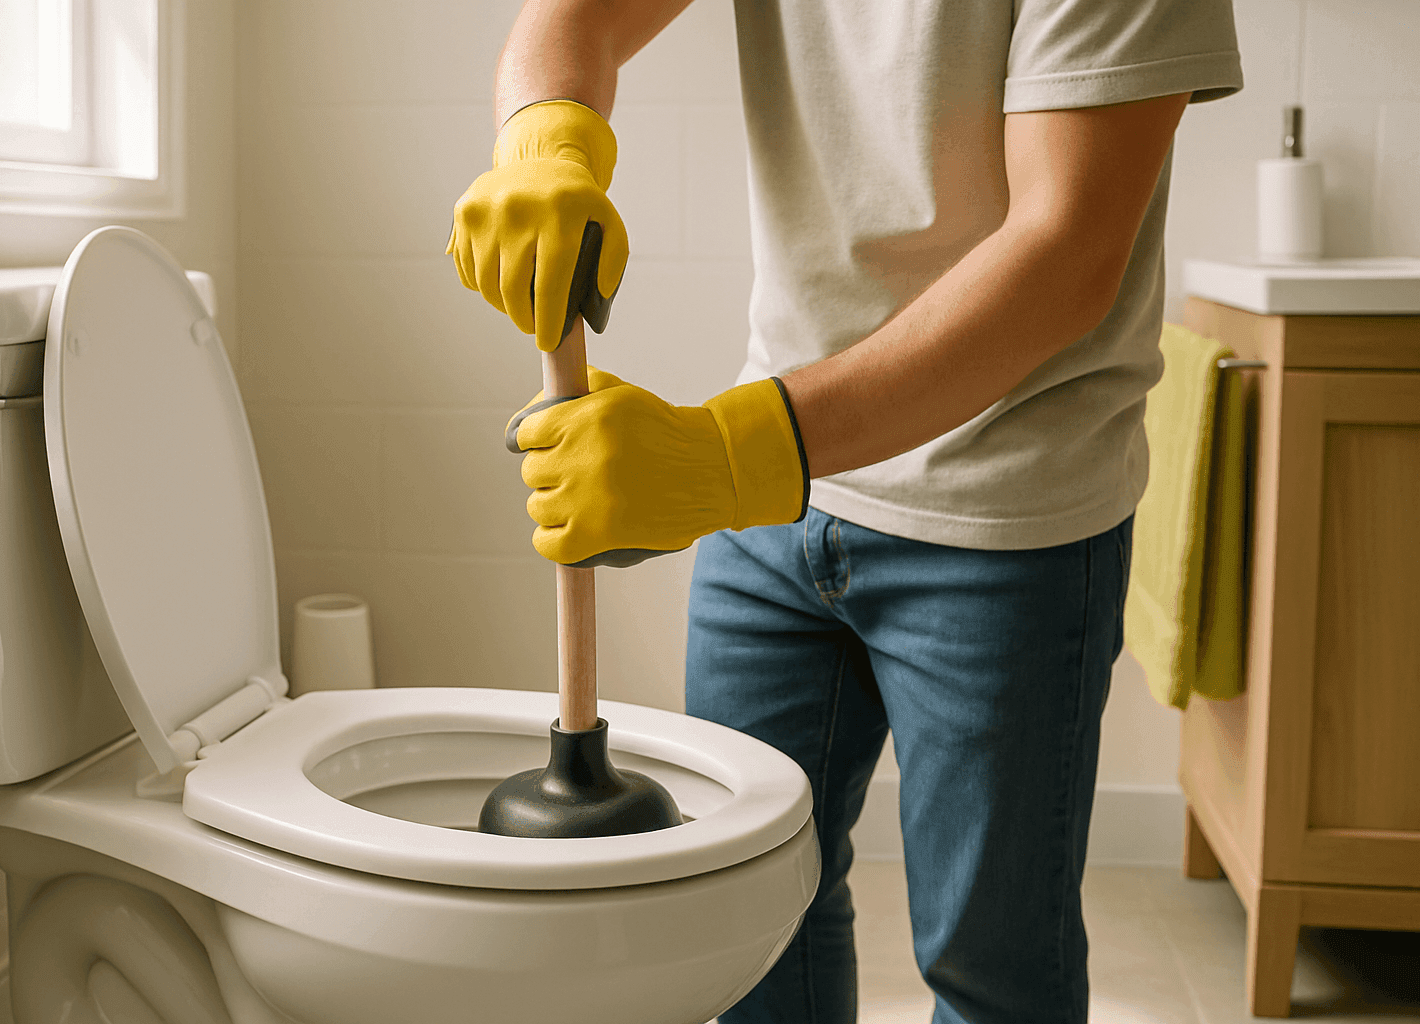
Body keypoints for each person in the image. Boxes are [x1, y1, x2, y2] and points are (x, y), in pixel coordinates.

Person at [448, 0, 1241, 1020]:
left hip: (1001, 510)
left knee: (990, 967)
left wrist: (728, 454)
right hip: (772, 507)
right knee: (751, 929)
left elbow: (1068, 252)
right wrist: (544, 142)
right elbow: (573, 21)